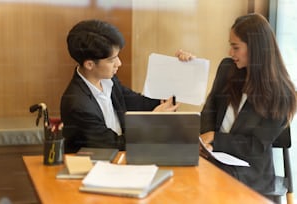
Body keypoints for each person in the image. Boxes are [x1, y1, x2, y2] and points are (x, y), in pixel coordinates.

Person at [176, 13, 296, 196]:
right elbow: (209, 112)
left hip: (250, 172)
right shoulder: (228, 68)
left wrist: (215, 138)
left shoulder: (282, 94)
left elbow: (255, 146)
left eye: (235, 47)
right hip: (214, 159)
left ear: (255, 49)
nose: (230, 53)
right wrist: (204, 142)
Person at [61, 19, 178, 153]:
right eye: (112, 60)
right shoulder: (77, 104)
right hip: (97, 168)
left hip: (120, 161)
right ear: (89, 64)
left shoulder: (108, 81)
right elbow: (114, 145)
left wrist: (182, 69)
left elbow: (141, 103)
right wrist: (152, 121)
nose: (119, 63)